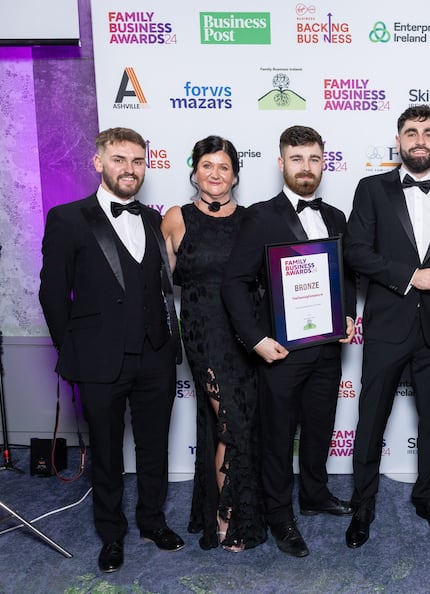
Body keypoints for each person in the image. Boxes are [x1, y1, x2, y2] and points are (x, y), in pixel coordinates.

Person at [38, 127, 184, 573]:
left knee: (154, 445)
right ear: (98, 163)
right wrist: (75, 351)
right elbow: (52, 295)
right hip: (99, 361)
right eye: (120, 159)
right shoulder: (68, 218)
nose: (130, 169)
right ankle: (111, 533)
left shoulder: (153, 219)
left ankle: (152, 521)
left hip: (156, 355)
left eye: (138, 161)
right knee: (105, 450)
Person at [221, 125, 356, 558]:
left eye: (314, 159)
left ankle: (315, 495)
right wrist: (256, 339)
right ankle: (280, 516)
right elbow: (234, 283)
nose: (306, 168)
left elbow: (345, 275)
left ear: (323, 163)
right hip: (279, 350)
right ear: (281, 163)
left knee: (319, 428)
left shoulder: (335, 216)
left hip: (327, 348)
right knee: (278, 438)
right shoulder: (261, 216)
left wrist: (348, 312)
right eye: (297, 159)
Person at [343, 105, 430, 549]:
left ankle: (428, 499)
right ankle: (363, 504)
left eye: (429, 132)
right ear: (398, 141)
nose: (420, 139)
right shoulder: (371, 189)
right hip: (387, 326)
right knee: (371, 419)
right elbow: (355, 251)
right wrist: (410, 276)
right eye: (412, 132)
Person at [160, 135, 266, 552]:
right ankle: (228, 515)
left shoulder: (252, 220)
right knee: (232, 423)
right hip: (204, 333)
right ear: (195, 171)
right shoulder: (175, 218)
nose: (215, 174)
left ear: (235, 174)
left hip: (246, 335)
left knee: (231, 425)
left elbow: (269, 279)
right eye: (208, 165)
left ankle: (220, 507)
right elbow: (156, 287)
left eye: (224, 167)